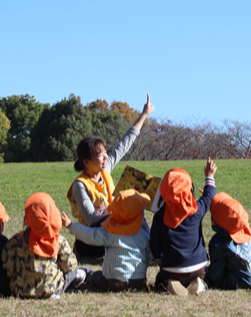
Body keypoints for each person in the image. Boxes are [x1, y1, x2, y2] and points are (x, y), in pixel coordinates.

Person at [67, 94, 155, 258]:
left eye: (106, 152)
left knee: (139, 216)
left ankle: (151, 252)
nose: (106, 157)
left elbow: (125, 143)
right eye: (100, 155)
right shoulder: (80, 185)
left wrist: (144, 114)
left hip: (113, 228)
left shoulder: (105, 170)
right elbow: (92, 219)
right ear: (86, 161)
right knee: (133, 215)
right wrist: (123, 213)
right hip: (93, 240)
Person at [62, 189, 152, 292]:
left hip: (113, 282)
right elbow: (148, 255)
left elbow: (90, 235)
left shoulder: (110, 232)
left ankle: (87, 275)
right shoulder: (143, 235)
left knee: (96, 277)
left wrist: (71, 225)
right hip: (138, 282)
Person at [150, 158, 217, 296]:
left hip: (171, 269)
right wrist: (209, 175)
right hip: (198, 267)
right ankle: (200, 283)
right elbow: (209, 196)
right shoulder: (196, 210)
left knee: (160, 278)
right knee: (207, 274)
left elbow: (154, 242)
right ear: (190, 189)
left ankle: (169, 284)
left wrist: (158, 258)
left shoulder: (160, 216)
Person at [2, 192, 88, 299]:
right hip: (50, 289)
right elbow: (69, 266)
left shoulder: (16, 240)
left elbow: (8, 267)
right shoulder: (58, 240)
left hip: (20, 290)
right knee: (76, 273)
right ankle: (57, 291)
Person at [205, 192, 251, 290]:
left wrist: (207, 276)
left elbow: (216, 274)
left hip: (241, 282)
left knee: (206, 271)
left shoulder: (218, 243)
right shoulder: (242, 230)